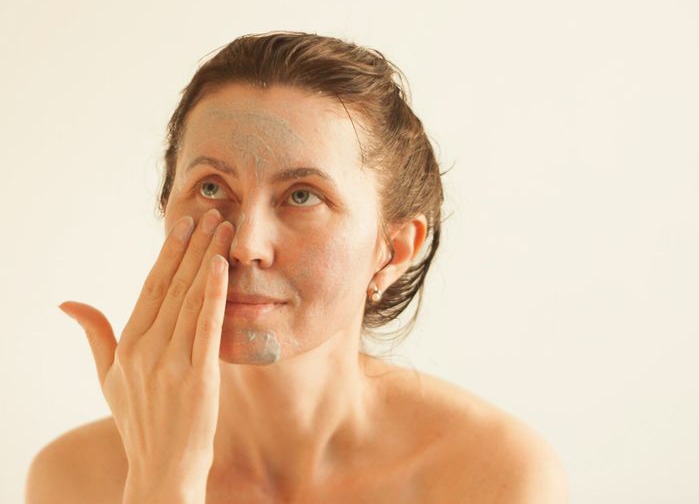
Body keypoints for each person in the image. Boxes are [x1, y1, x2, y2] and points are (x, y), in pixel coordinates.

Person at [25, 32, 568, 503]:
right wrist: (163, 481)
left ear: (394, 250)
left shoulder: (495, 477)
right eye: (211, 188)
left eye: (303, 196)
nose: (246, 245)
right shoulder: (74, 480)